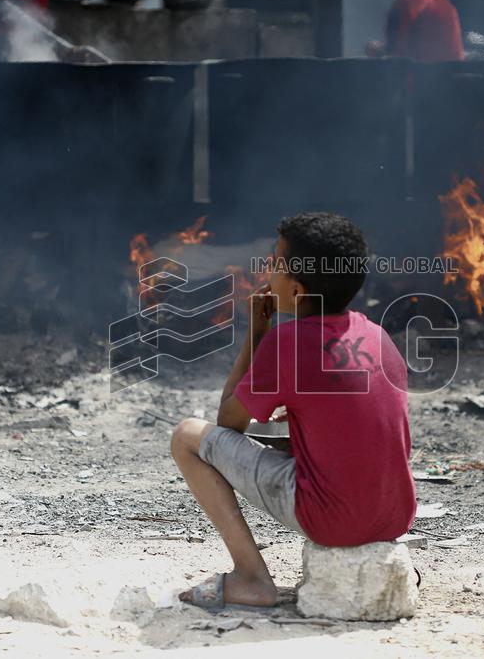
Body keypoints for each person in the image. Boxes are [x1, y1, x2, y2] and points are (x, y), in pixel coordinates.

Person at [171, 212, 416, 609]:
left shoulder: (287, 341)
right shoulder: (377, 335)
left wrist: (256, 334)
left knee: (186, 436)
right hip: (394, 514)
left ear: (298, 290)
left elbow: (226, 422)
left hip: (331, 519)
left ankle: (252, 578)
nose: (267, 270)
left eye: (275, 263)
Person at [373, 0, 465, 61]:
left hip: (421, 76)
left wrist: (379, 51)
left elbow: (400, 56)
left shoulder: (407, 2)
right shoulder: (441, 0)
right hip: (451, 76)